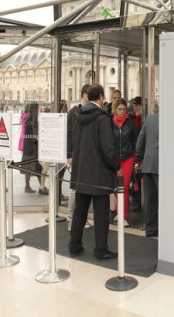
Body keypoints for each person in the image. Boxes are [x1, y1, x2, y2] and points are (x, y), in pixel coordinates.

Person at [69, 83, 119, 260]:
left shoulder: (77, 115)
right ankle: (101, 249)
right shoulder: (102, 118)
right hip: (99, 173)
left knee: (80, 210)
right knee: (101, 213)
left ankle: (74, 245)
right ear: (100, 97)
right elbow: (108, 148)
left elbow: (74, 142)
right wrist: (116, 166)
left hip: (81, 171)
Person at [66, 84, 91, 231]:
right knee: (74, 189)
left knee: (86, 189)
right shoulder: (73, 112)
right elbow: (68, 134)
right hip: (76, 155)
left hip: (88, 155)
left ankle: (83, 219)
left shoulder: (91, 111)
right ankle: (71, 220)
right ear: (84, 95)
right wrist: (69, 155)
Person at [111, 98, 137, 227]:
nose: (122, 112)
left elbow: (135, 140)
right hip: (115, 160)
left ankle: (123, 216)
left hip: (127, 159)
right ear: (115, 110)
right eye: (119, 109)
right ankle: (118, 212)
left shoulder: (130, 123)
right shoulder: (111, 123)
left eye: (124, 109)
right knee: (116, 187)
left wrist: (135, 156)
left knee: (125, 187)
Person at [136, 112, 159, 237]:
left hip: (148, 164)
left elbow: (140, 142)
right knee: (164, 199)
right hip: (163, 166)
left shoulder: (149, 119)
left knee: (150, 199)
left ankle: (150, 229)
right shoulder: (172, 121)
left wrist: (142, 159)